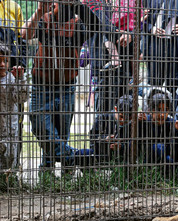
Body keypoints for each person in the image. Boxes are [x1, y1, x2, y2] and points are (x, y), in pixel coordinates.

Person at [21, 0, 114, 168]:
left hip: (67, 86)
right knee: (42, 128)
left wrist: (76, 5)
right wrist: (39, 10)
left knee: (61, 134)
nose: (57, 4)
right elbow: (25, 34)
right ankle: (74, 157)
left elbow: (96, 25)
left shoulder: (77, 25)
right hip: (41, 86)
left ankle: (56, 173)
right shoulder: (45, 19)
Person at [143, 0, 178, 94]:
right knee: (154, 81)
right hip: (155, 42)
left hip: (175, 42)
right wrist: (151, 28)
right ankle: (152, 106)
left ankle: (172, 107)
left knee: (173, 82)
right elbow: (141, 18)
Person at [0, 42, 28, 170]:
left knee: (10, 158)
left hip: (10, 130)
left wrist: (20, 79)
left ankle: (9, 181)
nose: (2, 64)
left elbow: (22, 99)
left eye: (5, 61)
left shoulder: (11, 78)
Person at [138, 87, 178, 164]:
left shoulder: (172, 123)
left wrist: (177, 130)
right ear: (150, 110)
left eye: (165, 110)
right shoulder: (144, 121)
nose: (162, 114)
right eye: (158, 110)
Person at [89, 95, 134, 163]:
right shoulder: (102, 118)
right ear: (115, 109)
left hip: (123, 158)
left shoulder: (134, 123)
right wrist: (105, 138)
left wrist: (122, 146)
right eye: (121, 116)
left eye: (128, 118)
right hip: (102, 155)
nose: (123, 120)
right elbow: (92, 137)